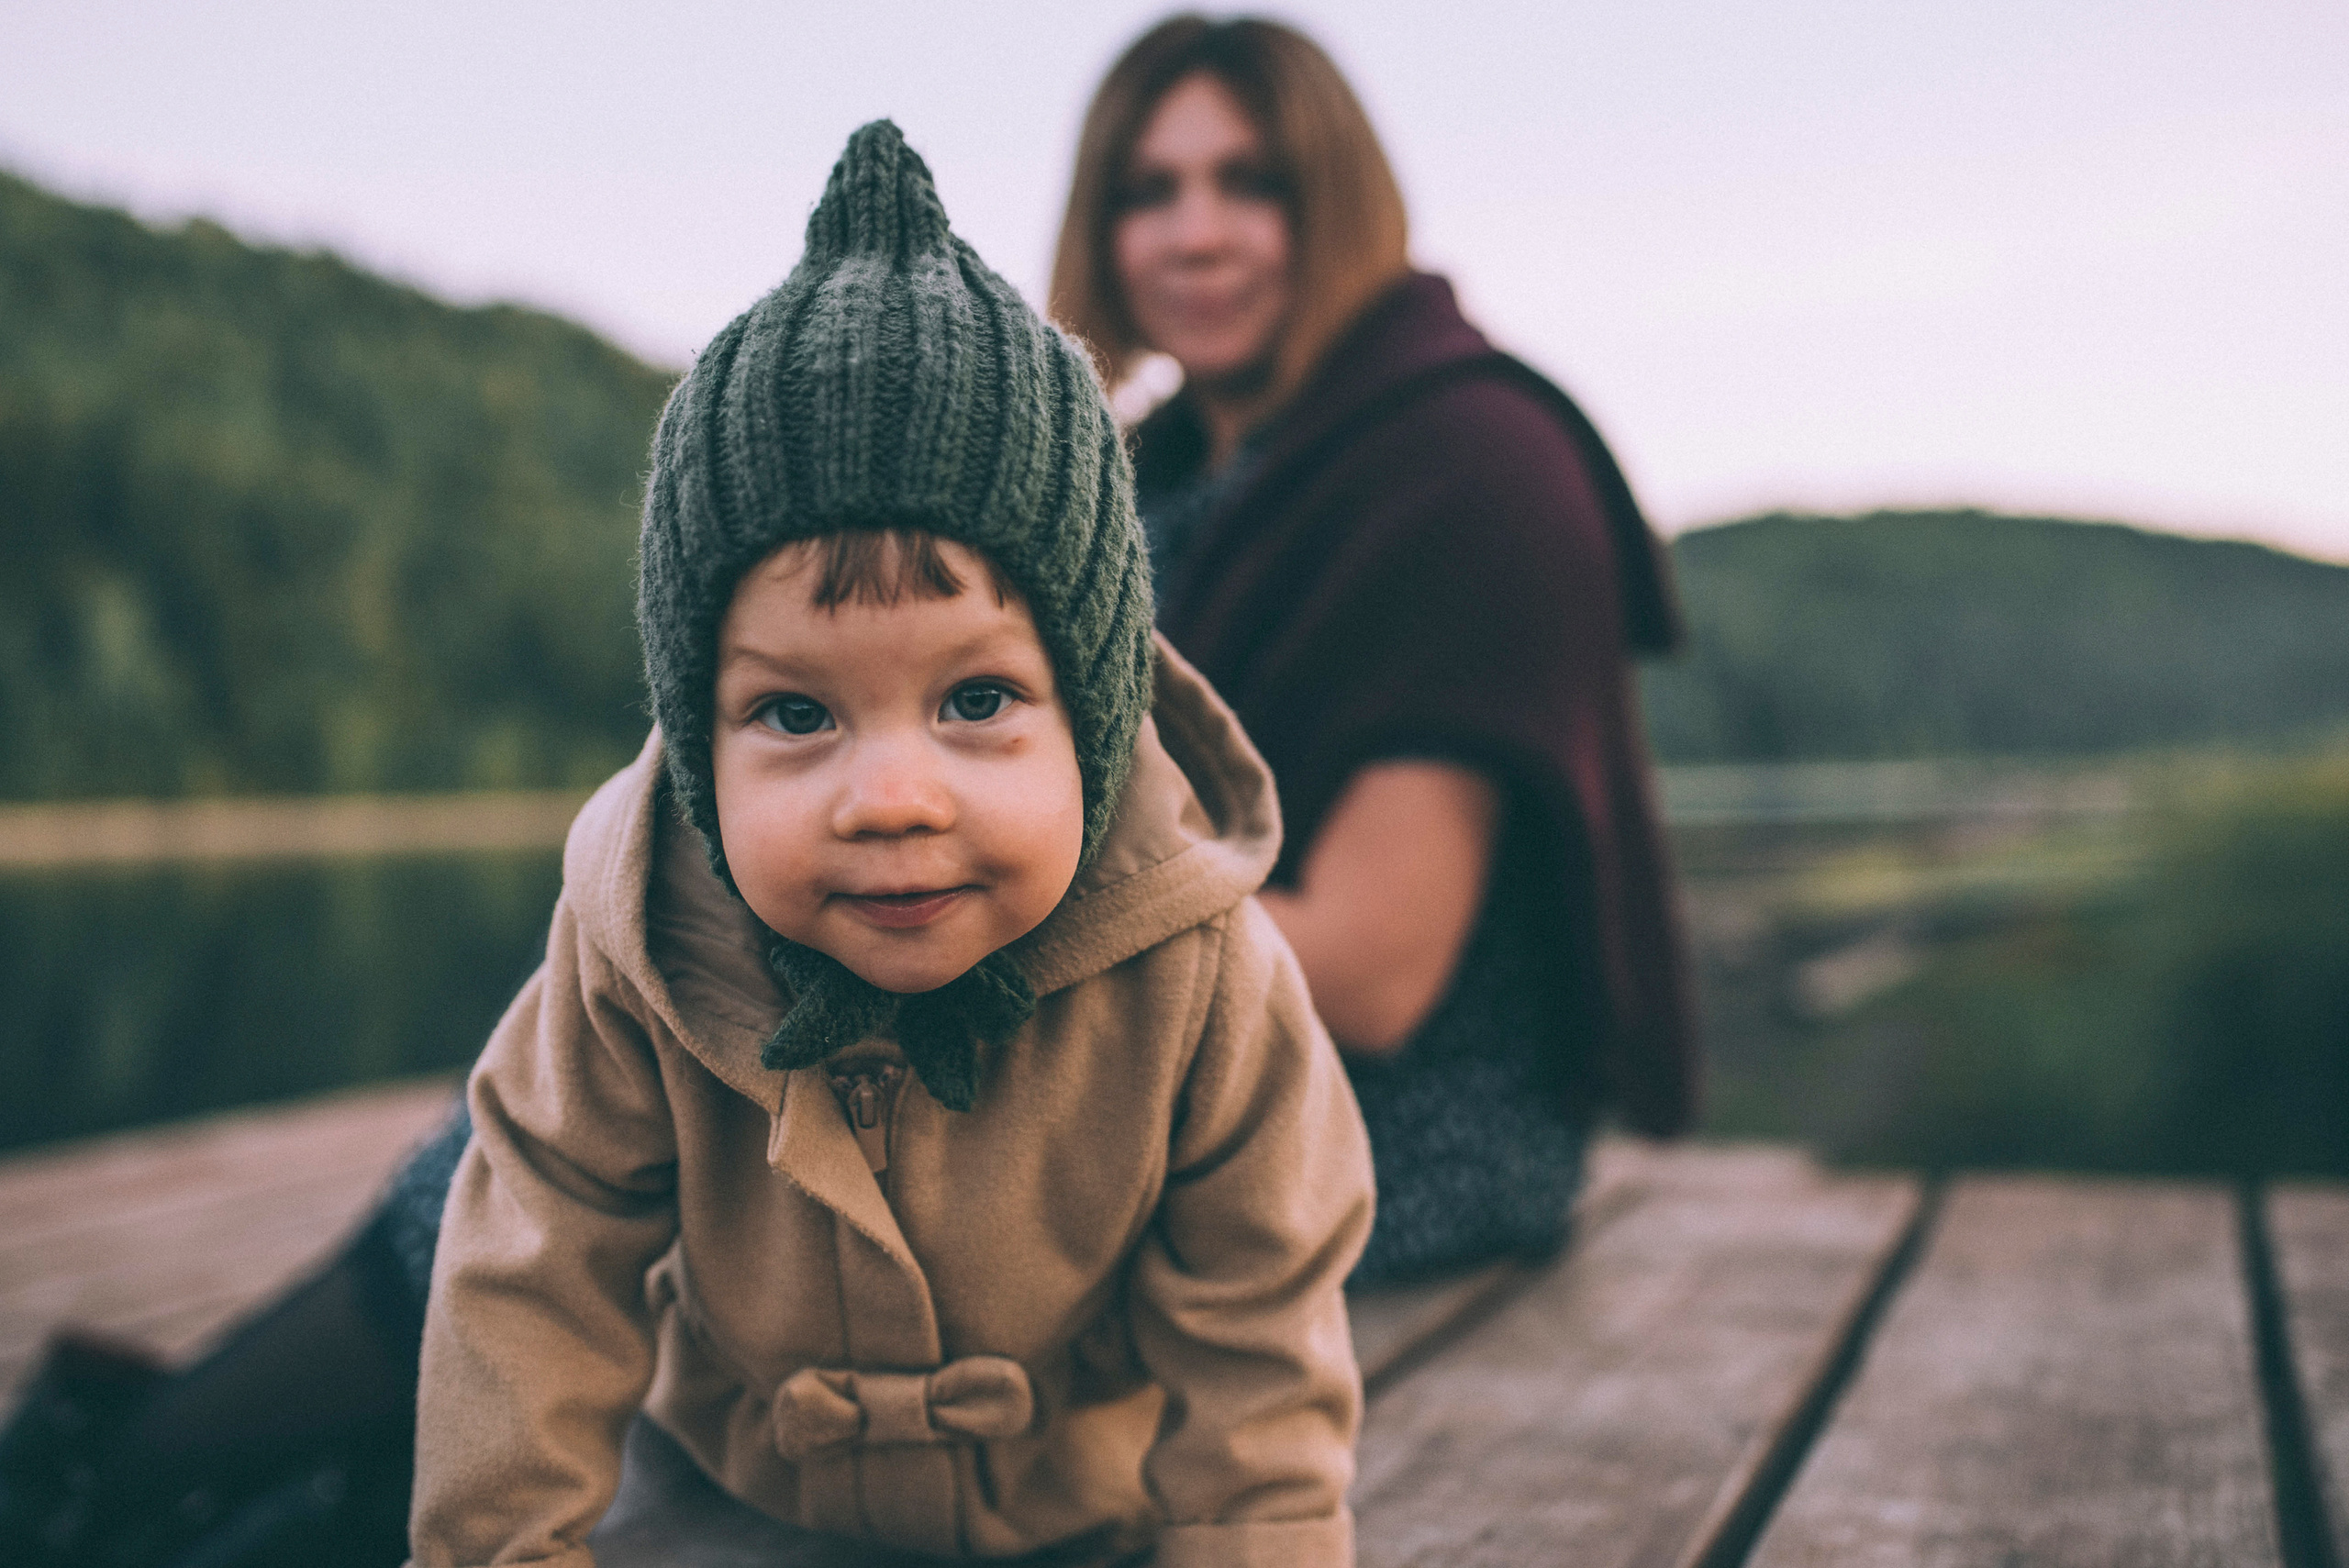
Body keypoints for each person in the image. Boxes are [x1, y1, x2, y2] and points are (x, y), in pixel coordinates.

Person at [4, 121, 1374, 1568]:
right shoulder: (648, 940)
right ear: (697, 733)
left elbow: (1263, 1341)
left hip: (1074, 1513)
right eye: (794, 711)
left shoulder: (1201, 970)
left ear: (1095, 718)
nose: (891, 795)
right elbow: (533, 1269)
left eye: (978, 698)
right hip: (739, 1486)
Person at [1048, 16, 1696, 1287]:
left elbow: (1375, 968)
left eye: (1253, 182)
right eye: (1149, 191)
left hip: (1395, 1139)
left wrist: (989, 919)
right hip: (1151, 1083)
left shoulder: (1472, 461)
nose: (1196, 232)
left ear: (1339, 200)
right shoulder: (1146, 472)